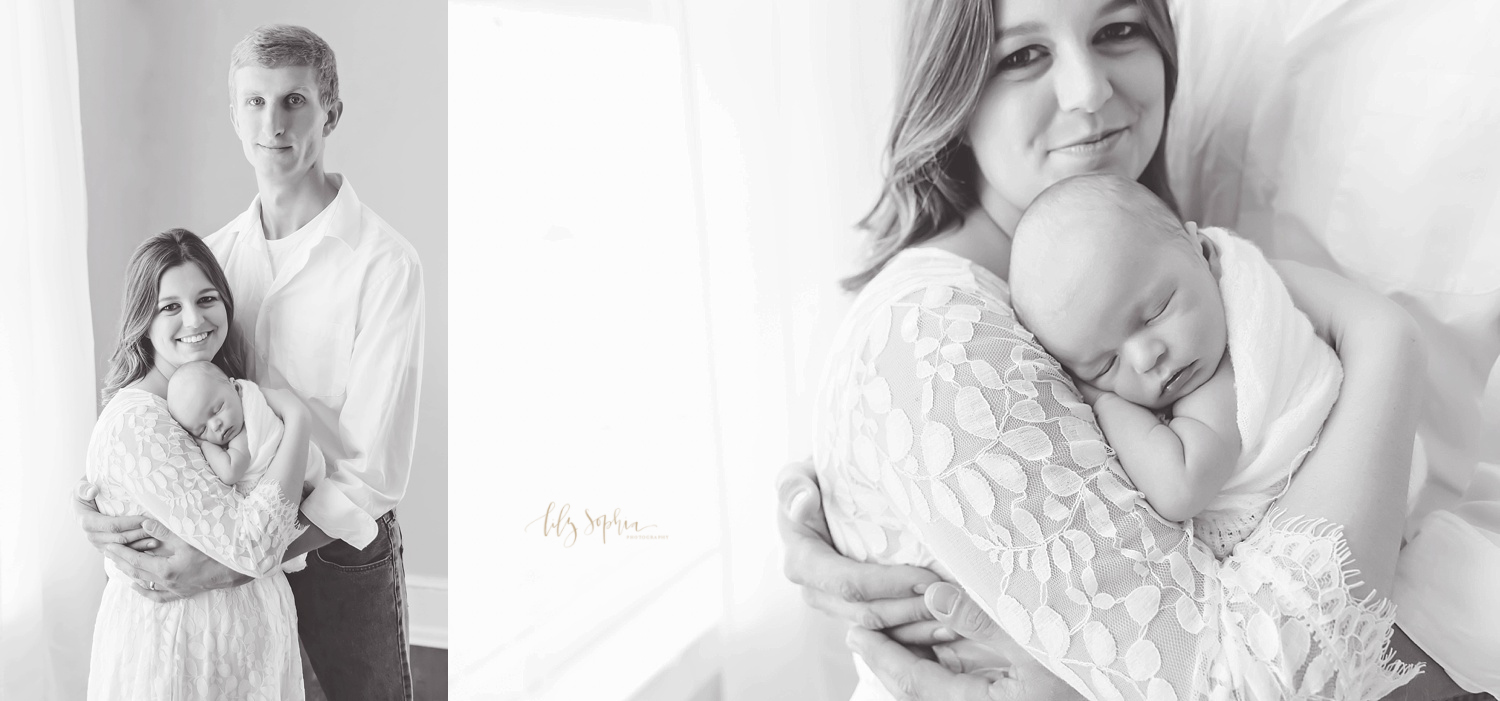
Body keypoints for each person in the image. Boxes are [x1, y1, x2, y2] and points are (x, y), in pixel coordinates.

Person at [790, 0, 1454, 698]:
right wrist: (1385, 349)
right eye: (1022, 55)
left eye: (1118, 31)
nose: (1090, 91)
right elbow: (1254, 681)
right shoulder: (934, 334)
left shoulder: (1149, 256)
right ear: (952, 91)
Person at [74, 24, 425, 700]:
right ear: (235, 115)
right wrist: (91, 502)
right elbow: (150, 403)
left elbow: (373, 471)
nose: (274, 122)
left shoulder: (385, 266)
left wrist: (229, 564)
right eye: (255, 103)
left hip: (335, 550)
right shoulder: (210, 264)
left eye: (294, 100)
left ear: (332, 112)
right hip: (228, 531)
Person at [1010, 174, 1341, 558]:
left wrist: (1103, 401)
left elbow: (1180, 488)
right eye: (1105, 366)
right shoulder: (1193, 328)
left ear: (1204, 252)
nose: (1145, 358)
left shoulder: (1227, 376)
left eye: (1156, 313)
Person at [85, 230, 315, 699]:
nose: (194, 318)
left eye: (206, 298)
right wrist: (298, 418)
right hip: (183, 659)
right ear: (142, 321)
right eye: (169, 306)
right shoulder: (137, 422)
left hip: (251, 654)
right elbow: (254, 547)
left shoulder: (225, 393)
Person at [166, 359, 322, 571]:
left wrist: (203, 444)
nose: (216, 425)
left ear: (237, 388)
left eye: (218, 408)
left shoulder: (243, 433)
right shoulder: (241, 402)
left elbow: (230, 472)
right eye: (202, 430)